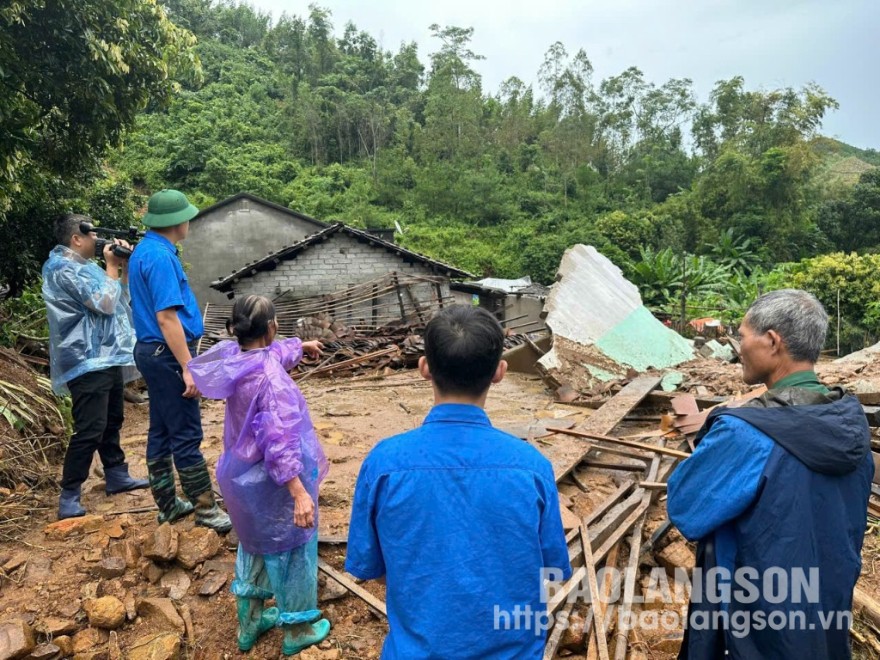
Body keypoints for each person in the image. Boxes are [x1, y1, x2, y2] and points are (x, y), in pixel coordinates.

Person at [345, 304, 572, 659]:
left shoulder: (384, 464)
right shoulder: (531, 468)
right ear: (500, 372)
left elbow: (370, 565)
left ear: (424, 367)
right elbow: (552, 568)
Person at [667, 289, 874, 659]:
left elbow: (685, 508)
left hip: (756, 629)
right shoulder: (851, 421)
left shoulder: (746, 433)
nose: (737, 347)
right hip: (824, 611)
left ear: (773, 341)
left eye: (743, 336)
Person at [188, 295, 330, 655]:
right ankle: (298, 629)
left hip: (239, 481)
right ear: (271, 327)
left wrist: (302, 345)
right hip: (272, 484)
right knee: (291, 549)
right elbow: (279, 442)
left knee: (253, 546)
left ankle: (249, 625)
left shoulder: (239, 359)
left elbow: (276, 353)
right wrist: (298, 491)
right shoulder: (271, 380)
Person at [128, 189, 231, 532]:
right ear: (177, 222)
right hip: (167, 353)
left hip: (150, 352)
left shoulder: (145, 251)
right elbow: (167, 318)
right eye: (187, 216)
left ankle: (169, 505)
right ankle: (206, 510)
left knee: (160, 428)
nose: (189, 221)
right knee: (186, 433)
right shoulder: (160, 258)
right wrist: (189, 366)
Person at [42, 214, 149, 519]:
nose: (96, 240)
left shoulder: (86, 268)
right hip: (84, 360)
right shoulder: (61, 269)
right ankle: (70, 494)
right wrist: (112, 267)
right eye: (91, 235)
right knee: (89, 428)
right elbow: (102, 303)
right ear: (77, 238)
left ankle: (116, 474)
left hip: (105, 357)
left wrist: (122, 270)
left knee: (112, 418)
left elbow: (118, 301)